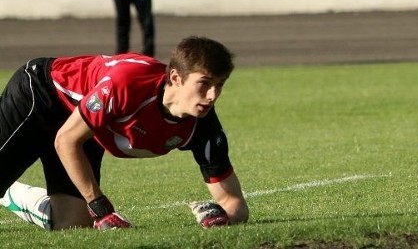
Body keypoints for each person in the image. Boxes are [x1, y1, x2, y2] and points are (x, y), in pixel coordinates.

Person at [0, 36, 249, 230]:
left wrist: (222, 216)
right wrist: (100, 208)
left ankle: (12, 193)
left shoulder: (203, 125)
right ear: (176, 77)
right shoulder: (128, 83)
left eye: (220, 85)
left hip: (87, 126)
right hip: (41, 94)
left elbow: (235, 203)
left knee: (73, 225)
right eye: (204, 83)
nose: (213, 95)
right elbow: (66, 140)